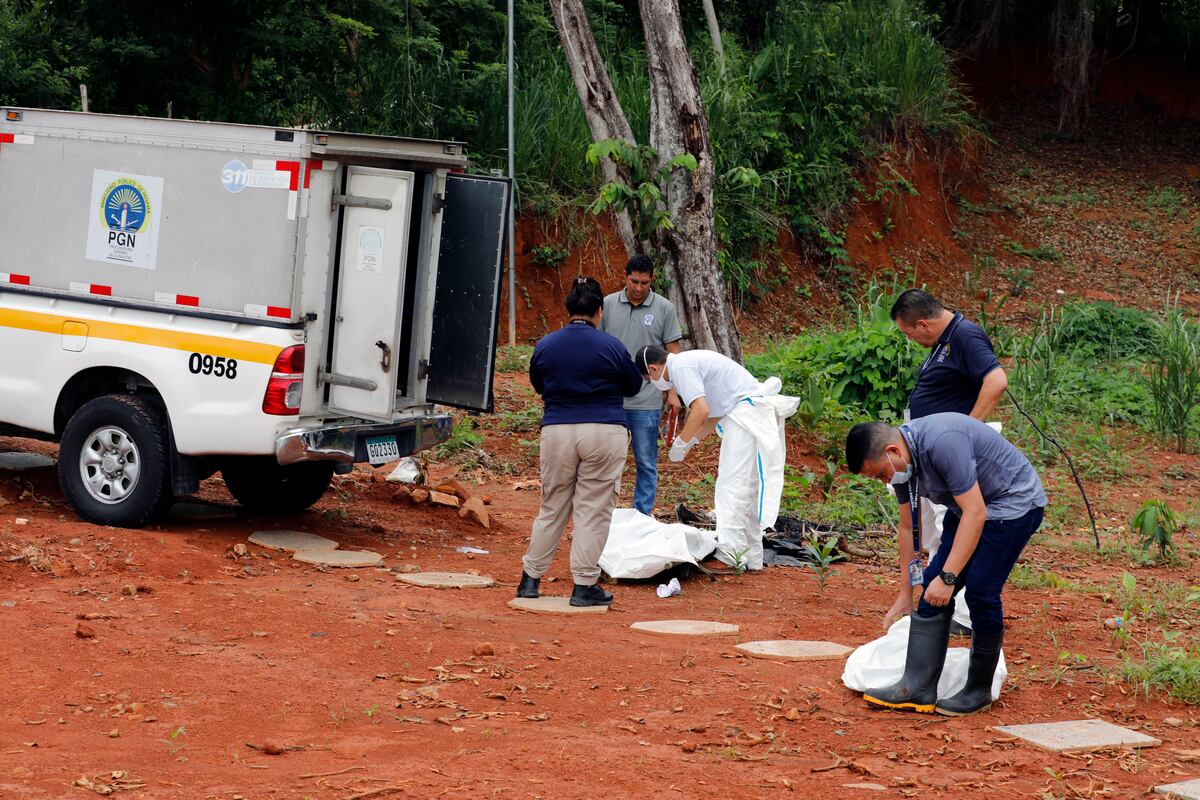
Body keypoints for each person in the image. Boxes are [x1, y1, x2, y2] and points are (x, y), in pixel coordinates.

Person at [845, 414, 1046, 716]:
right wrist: (905, 593)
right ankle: (917, 687)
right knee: (929, 590)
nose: (885, 481)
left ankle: (978, 690)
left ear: (892, 451)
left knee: (979, 591)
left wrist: (949, 577)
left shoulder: (942, 442)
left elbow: (976, 513)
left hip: (1012, 506)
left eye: (881, 475)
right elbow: (907, 528)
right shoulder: (903, 467)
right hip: (966, 507)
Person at [886, 289, 1010, 632]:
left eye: (910, 334)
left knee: (952, 526)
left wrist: (966, 430)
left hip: (948, 456)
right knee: (925, 527)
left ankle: (960, 613)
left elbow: (997, 381)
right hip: (925, 452)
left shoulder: (965, 335)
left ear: (924, 323)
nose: (912, 340)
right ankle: (933, 599)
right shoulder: (942, 342)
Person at [517, 277, 643, 607]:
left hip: (557, 429)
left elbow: (538, 383)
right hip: (603, 430)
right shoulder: (612, 346)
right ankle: (584, 585)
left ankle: (530, 580)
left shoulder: (546, 344)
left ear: (568, 309)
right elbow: (632, 387)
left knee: (552, 504)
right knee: (593, 508)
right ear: (599, 311)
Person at [634, 345, 797, 571]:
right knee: (746, 487)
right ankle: (751, 556)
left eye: (649, 379)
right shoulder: (686, 363)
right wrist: (690, 442)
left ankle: (731, 555)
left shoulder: (680, 366)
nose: (654, 383)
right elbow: (713, 413)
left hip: (746, 413)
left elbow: (700, 410)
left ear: (653, 369)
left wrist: (681, 441)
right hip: (743, 411)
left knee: (731, 485)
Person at [601, 255, 683, 517]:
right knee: (606, 462)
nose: (638, 288)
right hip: (611, 400)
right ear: (625, 277)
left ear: (652, 280)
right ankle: (605, 515)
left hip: (646, 401)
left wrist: (672, 392)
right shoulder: (608, 305)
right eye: (634, 281)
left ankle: (642, 515)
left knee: (646, 461)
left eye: (644, 283)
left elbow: (673, 354)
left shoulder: (664, 308)